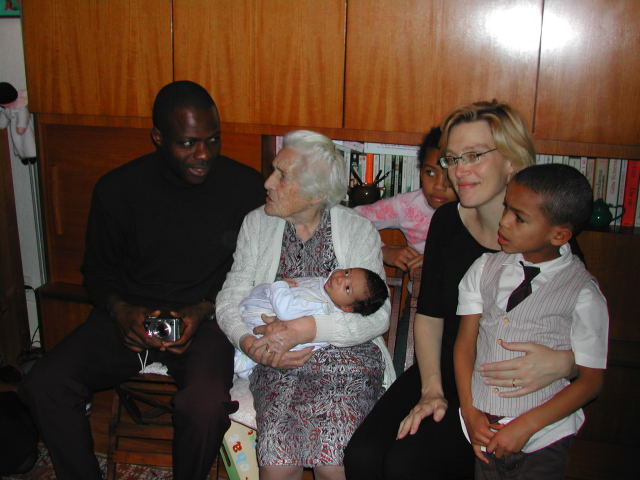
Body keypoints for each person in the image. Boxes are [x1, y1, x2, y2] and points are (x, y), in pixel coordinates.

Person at [19, 80, 265, 480]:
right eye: (188, 143)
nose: (204, 154)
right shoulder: (118, 189)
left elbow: (255, 271)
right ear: (158, 137)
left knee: (204, 406)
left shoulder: (246, 188)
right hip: (129, 316)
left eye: (213, 139)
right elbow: (97, 272)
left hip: (205, 319)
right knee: (45, 383)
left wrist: (203, 308)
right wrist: (120, 312)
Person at [344, 100, 578, 480]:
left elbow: (585, 332)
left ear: (512, 160)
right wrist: (431, 390)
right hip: (442, 369)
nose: (458, 171)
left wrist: (567, 362)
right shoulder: (446, 222)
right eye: (453, 158)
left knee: (407, 465)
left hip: (504, 383)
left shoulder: (544, 231)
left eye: (474, 156)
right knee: (362, 456)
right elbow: (430, 315)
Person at [216, 130, 395, 480]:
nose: (268, 182)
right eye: (274, 169)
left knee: (334, 464)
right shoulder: (257, 223)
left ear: (316, 193)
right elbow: (230, 296)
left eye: (282, 175)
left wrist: (307, 329)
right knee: (277, 467)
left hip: (347, 360)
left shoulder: (357, 230)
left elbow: (378, 317)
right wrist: (248, 342)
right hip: (278, 361)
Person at [454, 164, 608, 478]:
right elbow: (465, 345)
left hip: (544, 436)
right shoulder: (484, 269)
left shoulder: (583, 292)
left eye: (519, 217)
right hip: (484, 426)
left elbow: (592, 380)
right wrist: (470, 411)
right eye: (506, 208)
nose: (504, 221)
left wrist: (527, 426)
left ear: (559, 235)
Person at [234, 267, 388, 378]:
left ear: (347, 308)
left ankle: (244, 362)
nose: (340, 278)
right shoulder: (325, 288)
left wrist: (280, 285)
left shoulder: (321, 305)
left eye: (347, 288)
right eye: (347, 272)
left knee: (260, 339)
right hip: (254, 313)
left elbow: (285, 310)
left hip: (261, 322)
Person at [354, 127, 457, 274]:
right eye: (430, 172)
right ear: (420, 171)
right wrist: (381, 250)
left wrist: (435, 260)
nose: (439, 185)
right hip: (422, 287)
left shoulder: (476, 209)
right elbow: (350, 219)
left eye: (449, 174)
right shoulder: (407, 206)